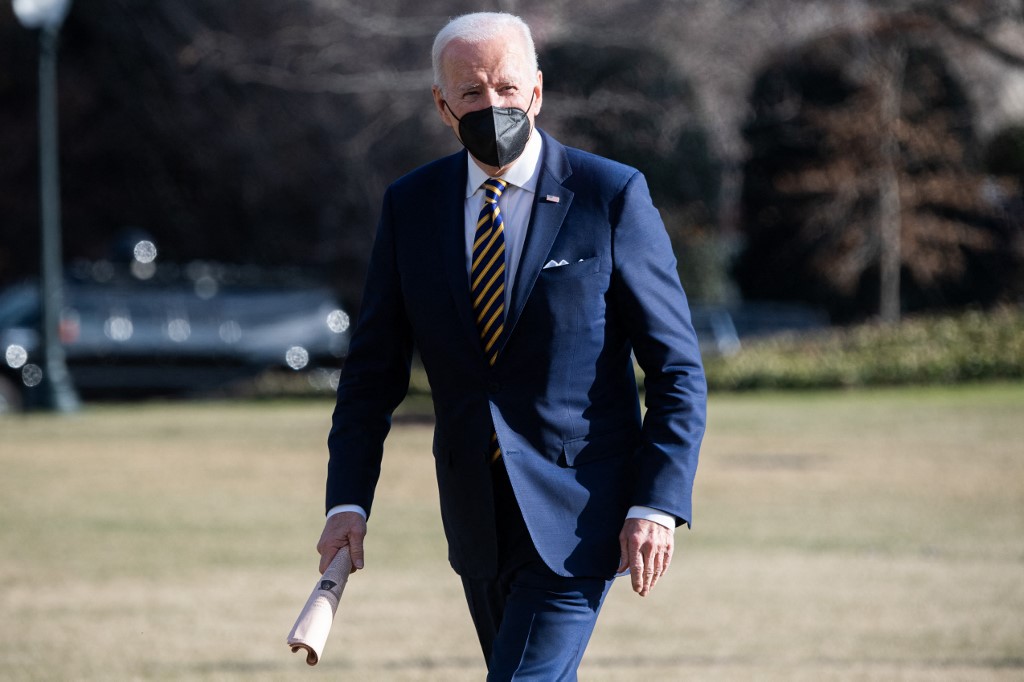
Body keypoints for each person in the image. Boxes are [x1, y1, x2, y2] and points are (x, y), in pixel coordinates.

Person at [317, 11, 707, 680]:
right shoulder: (412, 206)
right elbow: (371, 375)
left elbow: (676, 369)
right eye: (471, 93)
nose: (492, 105)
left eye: (506, 87)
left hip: (582, 513)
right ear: (442, 105)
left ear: (537, 91)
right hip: (476, 518)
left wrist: (656, 503)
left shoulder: (609, 195)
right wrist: (347, 502)